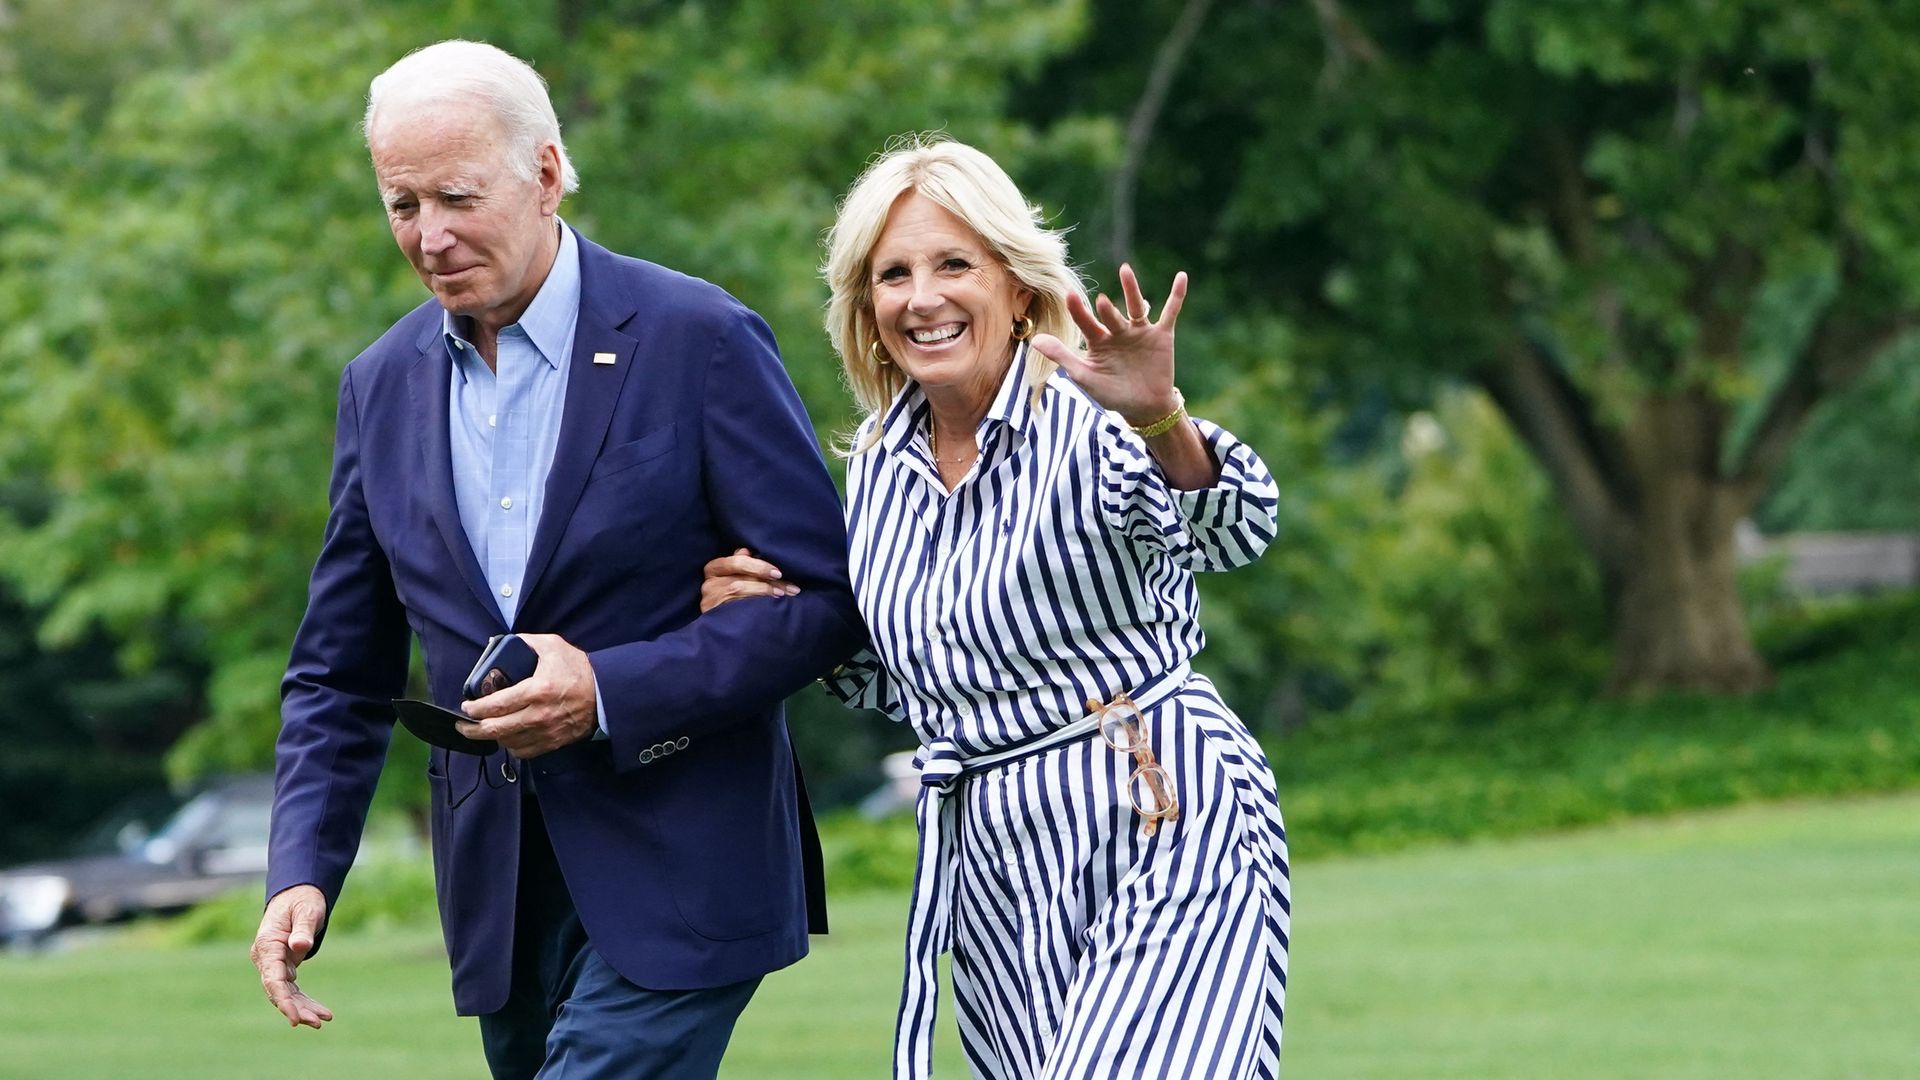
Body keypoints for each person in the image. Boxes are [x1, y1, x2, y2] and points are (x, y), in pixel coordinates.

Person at [248, 40, 864, 1080]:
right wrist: (302, 867)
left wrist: (609, 689)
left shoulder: (699, 338)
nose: (429, 237)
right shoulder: (377, 385)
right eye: (402, 204)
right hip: (500, 892)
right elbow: (338, 670)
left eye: (456, 196)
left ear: (543, 173)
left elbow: (825, 602)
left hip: (687, 862)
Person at [702, 137, 1290, 1078]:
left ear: (1017, 287)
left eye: (952, 264)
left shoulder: (1089, 423)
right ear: (866, 307)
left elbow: (1234, 530)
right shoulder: (878, 476)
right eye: (892, 275)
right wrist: (765, 611)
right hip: (990, 867)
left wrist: (1162, 419)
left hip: (1157, 818)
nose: (921, 298)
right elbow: (919, 681)